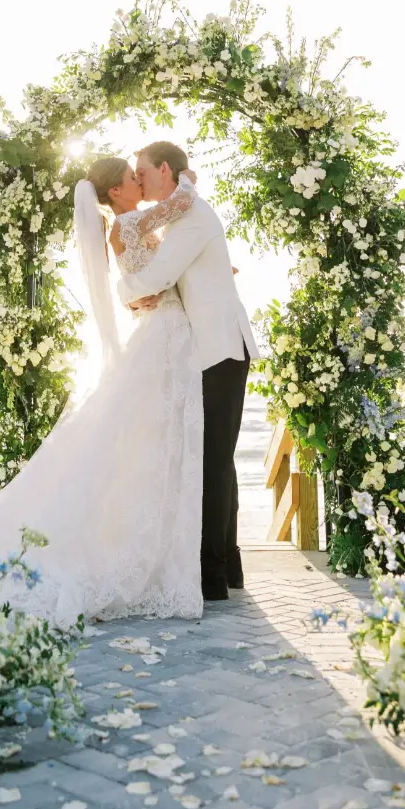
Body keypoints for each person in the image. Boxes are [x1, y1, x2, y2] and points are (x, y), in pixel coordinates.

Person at [0, 157, 204, 626]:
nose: (139, 180)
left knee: (154, 446)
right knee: (156, 443)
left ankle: (151, 542)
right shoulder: (129, 223)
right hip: (163, 334)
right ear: (115, 192)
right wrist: (186, 178)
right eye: (132, 178)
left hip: (164, 330)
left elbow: (155, 271)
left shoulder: (126, 226)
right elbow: (181, 203)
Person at [117, 141, 258, 602]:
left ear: (163, 169)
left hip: (222, 346)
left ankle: (212, 575)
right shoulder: (182, 213)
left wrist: (123, 293)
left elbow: (160, 275)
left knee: (213, 460)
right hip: (215, 347)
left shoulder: (191, 215)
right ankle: (227, 566)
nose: (138, 180)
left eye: (142, 171)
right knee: (218, 458)